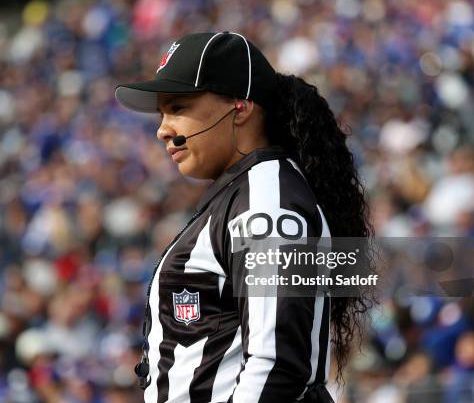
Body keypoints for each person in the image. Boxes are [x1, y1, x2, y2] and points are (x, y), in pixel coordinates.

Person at [114, 32, 372, 403]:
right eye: (162, 113)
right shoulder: (245, 193)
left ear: (240, 106)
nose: (162, 129)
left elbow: (277, 365)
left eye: (178, 107)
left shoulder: (268, 200)